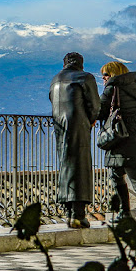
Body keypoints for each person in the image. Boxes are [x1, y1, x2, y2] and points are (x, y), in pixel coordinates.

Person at [98, 61, 136, 220]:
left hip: (122, 139)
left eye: (105, 75)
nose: (103, 79)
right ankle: (129, 214)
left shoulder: (112, 88)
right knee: (120, 174)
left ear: (112, 75)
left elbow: (99, 110)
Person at [49, 52, 100, 228]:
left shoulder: (55, 79)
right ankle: (79, 214)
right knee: (81, 168)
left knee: (66, 167)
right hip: (79, 126)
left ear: (64, 64)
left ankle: (69, 213)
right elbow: (95, 105)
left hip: (60, 128)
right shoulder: (85, 77)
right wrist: (92, 120)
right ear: (81, 64)